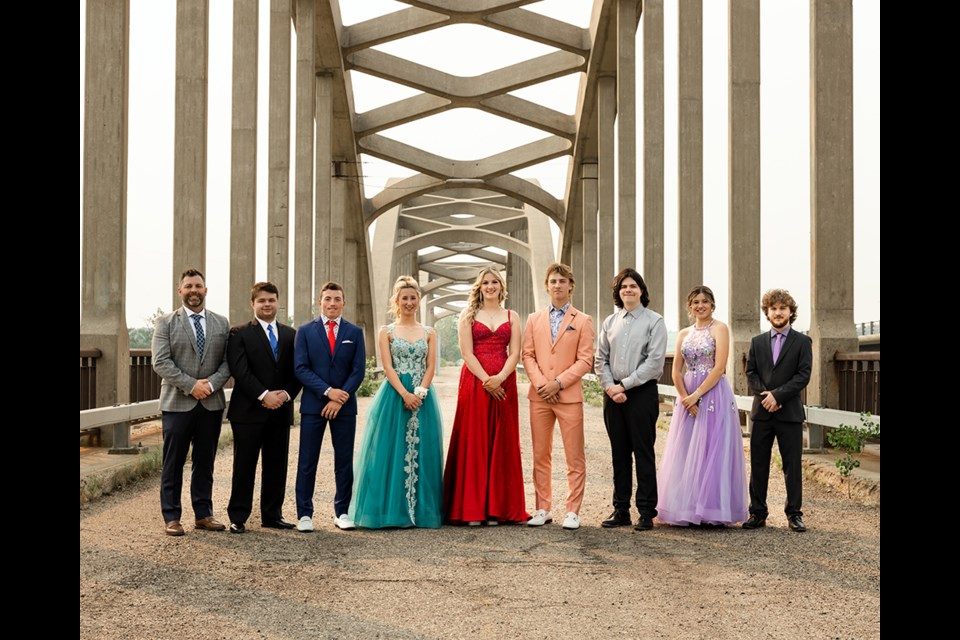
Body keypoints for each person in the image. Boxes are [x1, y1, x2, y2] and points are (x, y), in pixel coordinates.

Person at [349, 276, 444, 528]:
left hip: (423, 396)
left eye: (413, 298)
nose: (409, 302)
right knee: (388, 449)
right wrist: (405, 394)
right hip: (395, 394)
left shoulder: (429, 332)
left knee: (423, 449)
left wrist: (420, 392)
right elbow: (388, 366)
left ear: (419, 301)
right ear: (397, 301)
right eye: (405, 298)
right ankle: (390, 511)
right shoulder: (386, 332)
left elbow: (431, 365)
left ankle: (420, 511)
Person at [656, 286, 748, 527]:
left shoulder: (720, 328)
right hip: (687, 396)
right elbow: (676, 371)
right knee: (686, 449)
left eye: (705, 301)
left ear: (712, 304)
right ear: (690, 306)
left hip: (712, 393)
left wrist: (697, 395)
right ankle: (686, 505)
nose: (700, 305)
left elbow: (719, 368)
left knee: (712, 448)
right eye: (695, 302)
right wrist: (685, 397)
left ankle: (711, 509)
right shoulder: (683, 333)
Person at [443, 268, 529, 526]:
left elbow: (515, 353)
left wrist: (500, 378)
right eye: (485, 283)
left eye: (494, 282)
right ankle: (472, 509)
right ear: (479, 287)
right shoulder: (468, 316)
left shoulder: (512, 316)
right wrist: (486, 381)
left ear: (502, 287)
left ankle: (497, 509)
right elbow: (467, 354)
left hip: (505, 383)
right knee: (475, 440)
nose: (490, 286)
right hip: (475, 382)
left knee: (501, 442)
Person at [152, 269, 231, 536]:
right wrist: (191, 385)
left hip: (211, 402)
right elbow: (160, 361)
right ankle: (172, 517)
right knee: (173, 462)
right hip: (177, 403)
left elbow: (228, 362)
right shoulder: (166, 323)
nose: (193, 290)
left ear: (205, 290)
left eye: (198, 286)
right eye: (188, 286)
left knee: (205, 461)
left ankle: (203, 513)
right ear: (180, 291)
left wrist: (209, 385)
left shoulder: (222, 322)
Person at [521, 263, 594, 530]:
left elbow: (586, 359)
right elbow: (527, 354)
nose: (557, 285)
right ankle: (543, 508)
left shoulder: (583, 320)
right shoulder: (533, 319)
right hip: (540, 396)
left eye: (562, 281)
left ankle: (573, 511)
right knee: (541, 454)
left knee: (574, 456)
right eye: (553, 281)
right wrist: (543, 384)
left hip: (568, 396)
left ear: (570, 285)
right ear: (546, 286)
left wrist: (558, 383)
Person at [225, 282, 302, 534]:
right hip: (248, 411)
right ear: (253, 304)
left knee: (276, 465)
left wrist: (286, 395)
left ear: (278, 302)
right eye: (261, 301)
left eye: (271, 300)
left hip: (280, 410)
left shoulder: (292, 335)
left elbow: (297, 371)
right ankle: (238, 516)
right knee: (244, 465)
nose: (266, 304)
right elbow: (240, 370)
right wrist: (263, 395)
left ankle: (272, 514)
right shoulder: (239, 333)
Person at [595, 268, 667, 532]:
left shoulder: (654, 321)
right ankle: (621, 509)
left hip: (641, 393)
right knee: (619, 454)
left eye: (633, 286)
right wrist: (610, 387)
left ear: (641, 291)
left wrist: (622, 385)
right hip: (613, 394)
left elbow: (655, 362)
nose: (628, 290)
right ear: (618, 292)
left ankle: (647, 511)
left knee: (643, 452)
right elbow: (600, 359)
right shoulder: (609, 322)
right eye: (623, 286)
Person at [294, 282, 366, 532]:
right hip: (314, 405)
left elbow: (359, 370)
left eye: (337, 299)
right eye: (327, 299)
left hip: (344, 407)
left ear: (344, 303)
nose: (332, 303)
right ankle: (304, 514)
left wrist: (340, 397)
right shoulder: (305, 331)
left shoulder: (355, 333)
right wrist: (328, 392)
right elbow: (300, 368)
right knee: (307, 460)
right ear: (319, 302)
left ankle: (342, 511)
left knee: (343, 460)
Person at [744, 288, 813, 532]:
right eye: (773, 308)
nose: (778, 312)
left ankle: (794, 514)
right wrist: (766, 396)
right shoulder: (757, 342)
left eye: (783, 308)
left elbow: (803, 375)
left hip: (789, 412)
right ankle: (757, 513)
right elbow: (750, 372)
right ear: (767, 312)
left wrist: (778, 396)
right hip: (762, 412)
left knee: (791, 466)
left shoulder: (803, 342)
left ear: (791, 312)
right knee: (759, 464)